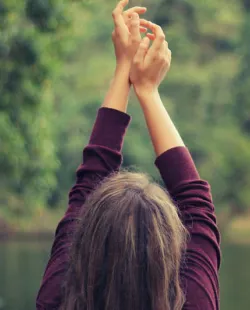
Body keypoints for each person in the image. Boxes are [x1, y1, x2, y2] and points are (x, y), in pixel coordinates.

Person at [36, 0, 221, 309]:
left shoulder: (58, 299)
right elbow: (198, 206)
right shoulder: (192, 302)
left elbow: (87, 185)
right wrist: (148, 90)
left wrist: (123, 68)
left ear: (86, 241)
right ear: (170, 250)